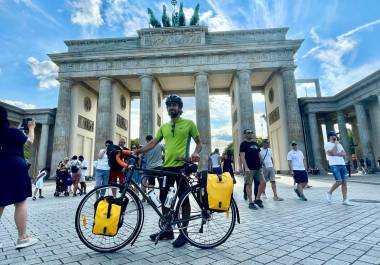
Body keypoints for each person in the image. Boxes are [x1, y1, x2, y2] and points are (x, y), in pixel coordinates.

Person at [135, 95, 201, 248]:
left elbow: (199, 143)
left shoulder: (189, 124)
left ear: (180, 107)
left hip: (182, 167)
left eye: (174, 105)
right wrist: (138, 151)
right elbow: (152, 143)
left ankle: (184, 234)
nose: (171, 107)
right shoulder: (164, 127)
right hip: (167, 168)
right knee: (165, 199)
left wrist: (196, 153)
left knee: (183, 199)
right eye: (169, 105)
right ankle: (168, 230)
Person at [0, 106, 38, 249]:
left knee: (0, 202)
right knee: (20, 202)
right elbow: (29, 142)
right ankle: (22, 238)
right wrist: (32, 128)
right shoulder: (13, 133)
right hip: (15, 167)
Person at [325, 131, 354, 206]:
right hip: (334, 165)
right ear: (330, 137)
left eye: (335, 135)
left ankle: (345, 200)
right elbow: (332, 152)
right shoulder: (327, 144)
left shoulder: (339, 144)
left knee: (344, 182)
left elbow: (344, 153)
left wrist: (336, 153)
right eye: (334, 135)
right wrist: (335, 145)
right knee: (339, 181)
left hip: (342, 164)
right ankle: (329, 192)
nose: (336, 137)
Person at [239, 129, 265, 210]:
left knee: (263, 183)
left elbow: (258, 154)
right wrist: (245, 167)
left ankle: (257, 199)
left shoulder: (255, 143)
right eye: (248, 133)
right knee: (249, 184)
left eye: (251, 133)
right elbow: (242, 157)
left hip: (258, 167)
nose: (250, 134)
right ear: (244, 134)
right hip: (249, 168)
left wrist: (263, 163)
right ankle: (250, 202)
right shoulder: (243, 144)